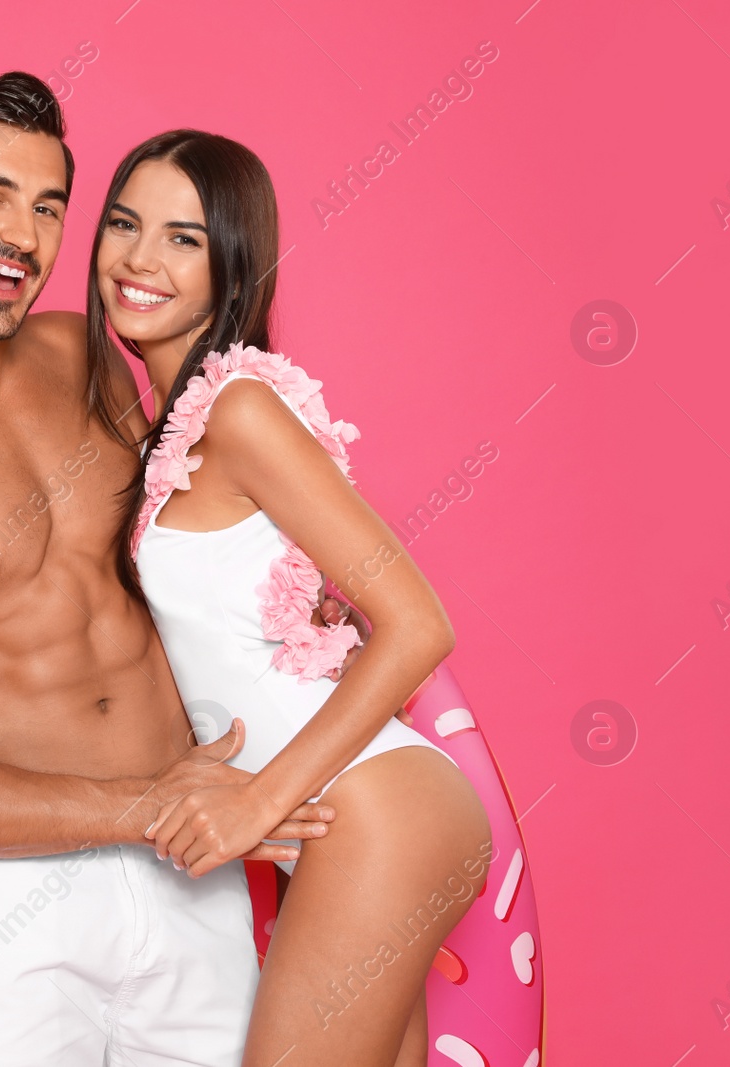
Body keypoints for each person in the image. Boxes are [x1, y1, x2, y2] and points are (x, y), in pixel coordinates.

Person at [0, 73, 381, 1065]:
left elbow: (185, 553)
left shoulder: (84, 356)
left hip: (192, 873)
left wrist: (308, 653)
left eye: (49, 206)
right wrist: (151, 810)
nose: (24, 233)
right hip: (5, 907)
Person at [87, 129, 493, 1065]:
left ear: (234, 262)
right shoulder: (173, 428)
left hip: (376, 809)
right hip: (354, 823)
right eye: (123, 224)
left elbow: (418, 624)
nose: (141, 258)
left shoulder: (239, 409)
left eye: (184, 238)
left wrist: (256, 803)